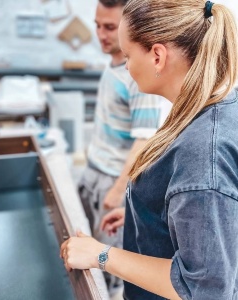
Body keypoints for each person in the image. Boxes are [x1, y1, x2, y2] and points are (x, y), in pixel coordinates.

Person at [62, 0, 238, 299]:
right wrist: (147, 216)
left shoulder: (202, 154)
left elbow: (202, 289)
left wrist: (101, 255)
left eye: (128, 55)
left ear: (157, 56)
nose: (127, 65)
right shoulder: (210, 107)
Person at [78, 0, 164, 295]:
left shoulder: (138, 78)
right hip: (93, 172)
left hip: (112, 182)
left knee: (108, 267)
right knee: (86, 250)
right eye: (97, 26)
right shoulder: (113, 65)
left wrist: (117, 192)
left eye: (110, 27)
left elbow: (144, 140)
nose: (101, 34)